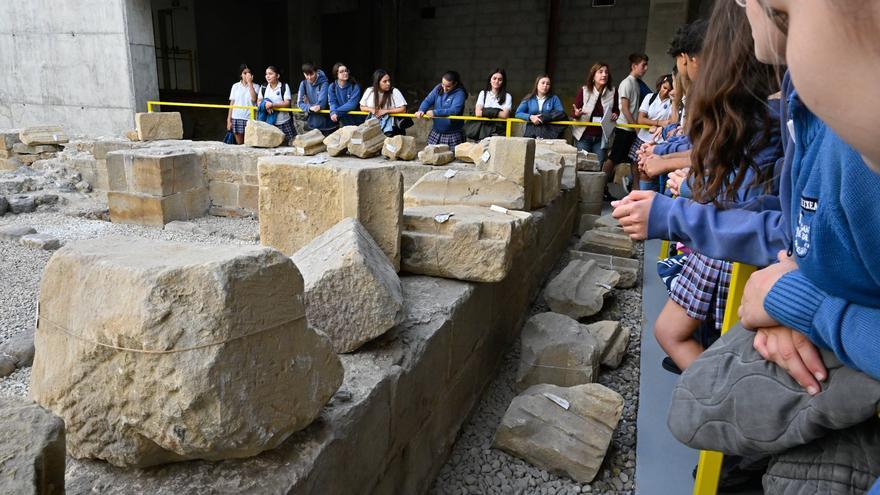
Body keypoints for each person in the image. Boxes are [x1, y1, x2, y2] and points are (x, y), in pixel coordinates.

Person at [647, 1, 783, 372]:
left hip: (729, 246)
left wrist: (685, 194)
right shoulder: (772, 111)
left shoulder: (756, 116)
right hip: (732, 241)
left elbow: (745, 196)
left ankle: (712, 390)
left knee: (687, 337)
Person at [602, 53, 649, 194]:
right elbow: (625, 108)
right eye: (643, 65)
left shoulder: (636, 83)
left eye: (646, 65)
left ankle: (636, 189)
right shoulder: (626, 83)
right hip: (624, 129)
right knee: (613, 159)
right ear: (634, 66)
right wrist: (635, 128)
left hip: (632, 129)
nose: (645, 69)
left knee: (635, 160)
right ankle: (599, 185)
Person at [571, 62, 619, 165]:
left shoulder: (613, 91)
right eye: (600, 72)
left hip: (601, 137)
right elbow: (573, 112)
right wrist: (577, 114)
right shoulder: (584, 90)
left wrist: (615, 114)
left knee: (599, 164)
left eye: (606, 72)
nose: (604, 75)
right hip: (583, 136)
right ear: (593, 75)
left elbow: (616, 110)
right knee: (582, 164)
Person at [633, 74, 674, 190]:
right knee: (641, 169)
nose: (665, 92)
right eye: (664, 87)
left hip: (660, 143)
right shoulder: (650, 97)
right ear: (660, 84)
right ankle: (639, 191)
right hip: (643, 139)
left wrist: (650, 122)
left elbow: (671, 122)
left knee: (655, 172)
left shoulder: (673, 103)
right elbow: (640, 119)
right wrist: (659, 123)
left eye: (669, 90)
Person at [414, 70, 468, 147]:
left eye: (448, 86)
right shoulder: (438, 88)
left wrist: (435, 113)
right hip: (436, 132)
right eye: (443, 84)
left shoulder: (460, 94)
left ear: (455, 84)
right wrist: (421, 110)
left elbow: (454, 110)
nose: (445, 88)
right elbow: (428, 101)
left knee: (452, 157)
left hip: (453, 134)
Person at [515, 74, 565, 139]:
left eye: (548, 84)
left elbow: (561, 113)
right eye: (543, 83)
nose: (545, 86)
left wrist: (544, 117)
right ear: (537, 84)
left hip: (549, 133)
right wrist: (530, 117)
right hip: (531, 132)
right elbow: (518, 113)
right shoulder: (529, 98)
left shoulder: (554, 98)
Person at [359, 69, 408, 137]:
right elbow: (361, 107)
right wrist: (371, 110)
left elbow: (403, 109)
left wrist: (386, 111)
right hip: (375, 125)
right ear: (377, 82)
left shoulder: (394, 91)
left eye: (389, 80)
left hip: (393, 128)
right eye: (384, 81)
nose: (388, 83)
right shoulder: (370, 91)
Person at [466, 69, 512, 140]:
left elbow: (505, 115)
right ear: (490, 80)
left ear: (503, 82)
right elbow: (478, 113)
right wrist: (498, 111)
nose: (496, 81)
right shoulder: (483, 93)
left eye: (500, 79)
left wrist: (484, 111)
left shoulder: (507, 96)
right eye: (494, 78)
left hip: (499, 132)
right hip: (483, 132)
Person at [257, 65, 295, 143]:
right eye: (266, 74)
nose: (268, 76)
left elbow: (287, 103)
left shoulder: (284, 86)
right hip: (269, 123)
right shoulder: (263, 87)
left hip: (284, 122)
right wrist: (265, 105)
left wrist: (272, 105)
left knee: (290, 144)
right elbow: (259, 102)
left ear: (277, 75)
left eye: (270, 74)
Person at [297, 62, 335, 136]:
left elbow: (321, 104)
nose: (309, 77)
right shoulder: (303, 84)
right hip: (311, 122)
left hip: (327, 123)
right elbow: (299, 103)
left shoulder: (324, 83)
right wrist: (309, 107)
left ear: (317, 72)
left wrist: (308, 105)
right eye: (306, 75)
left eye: (312, 74)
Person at [226, 64, 258, 145]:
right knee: (240, 144)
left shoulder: (256, 86)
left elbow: (254, 99)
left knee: (250, 143)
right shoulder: (235, 86)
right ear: (241, 74)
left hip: (250, 118)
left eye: (249, 73)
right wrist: (228, 120)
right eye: (245, 73)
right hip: (237, 117)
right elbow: (232, 103)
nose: (247, 75)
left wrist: (250, 83)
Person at [328, 62, 364, 127]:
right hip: (343, 122)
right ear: (336, 74)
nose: (345, 73)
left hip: (358, 122)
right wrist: (333, 112)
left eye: (346, 71)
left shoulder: (355, 86)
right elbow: (332, 102)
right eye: (341, 72)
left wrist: (336, 112)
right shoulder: (332, 87)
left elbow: (352, 104)